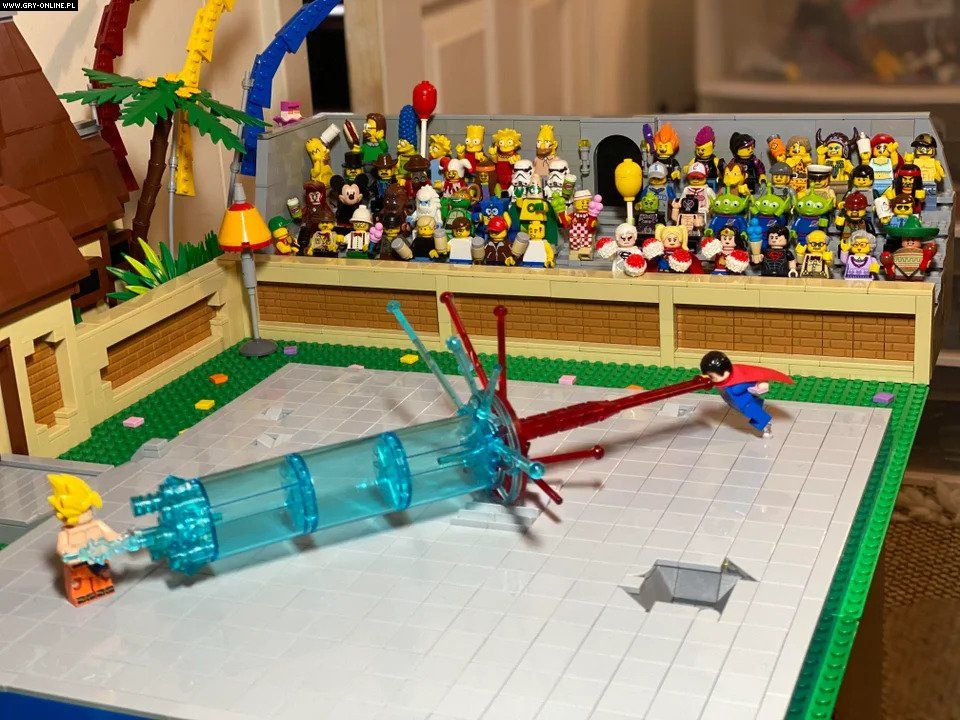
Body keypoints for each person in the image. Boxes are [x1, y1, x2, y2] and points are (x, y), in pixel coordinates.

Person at [699, 351, 793, 437]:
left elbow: (749, 381)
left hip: (746, 404)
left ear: (725, 371)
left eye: (712, 376)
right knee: (753, 411)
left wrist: (759, 383)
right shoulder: (723, 382)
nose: (711, 379)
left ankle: (766, 427)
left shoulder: (738, 382)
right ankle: (764, 423)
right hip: (737, 403)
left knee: (757, 416)